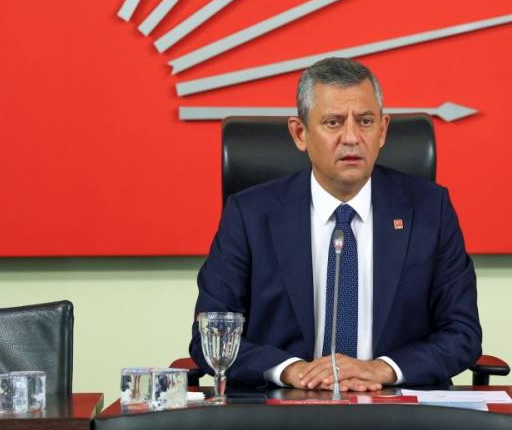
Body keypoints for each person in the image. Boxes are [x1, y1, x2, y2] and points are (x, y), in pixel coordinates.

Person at [190, 57, 482, 390]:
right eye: (333, 122)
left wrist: (384, 369)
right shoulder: (249, 215)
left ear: (383, 130)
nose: (352, 137)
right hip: (283, 407)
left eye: (365, 121)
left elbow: (462, 334)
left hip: (394, 405)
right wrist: (289, 371)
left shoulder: (430, 209)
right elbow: (208, 337)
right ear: (300, 133)